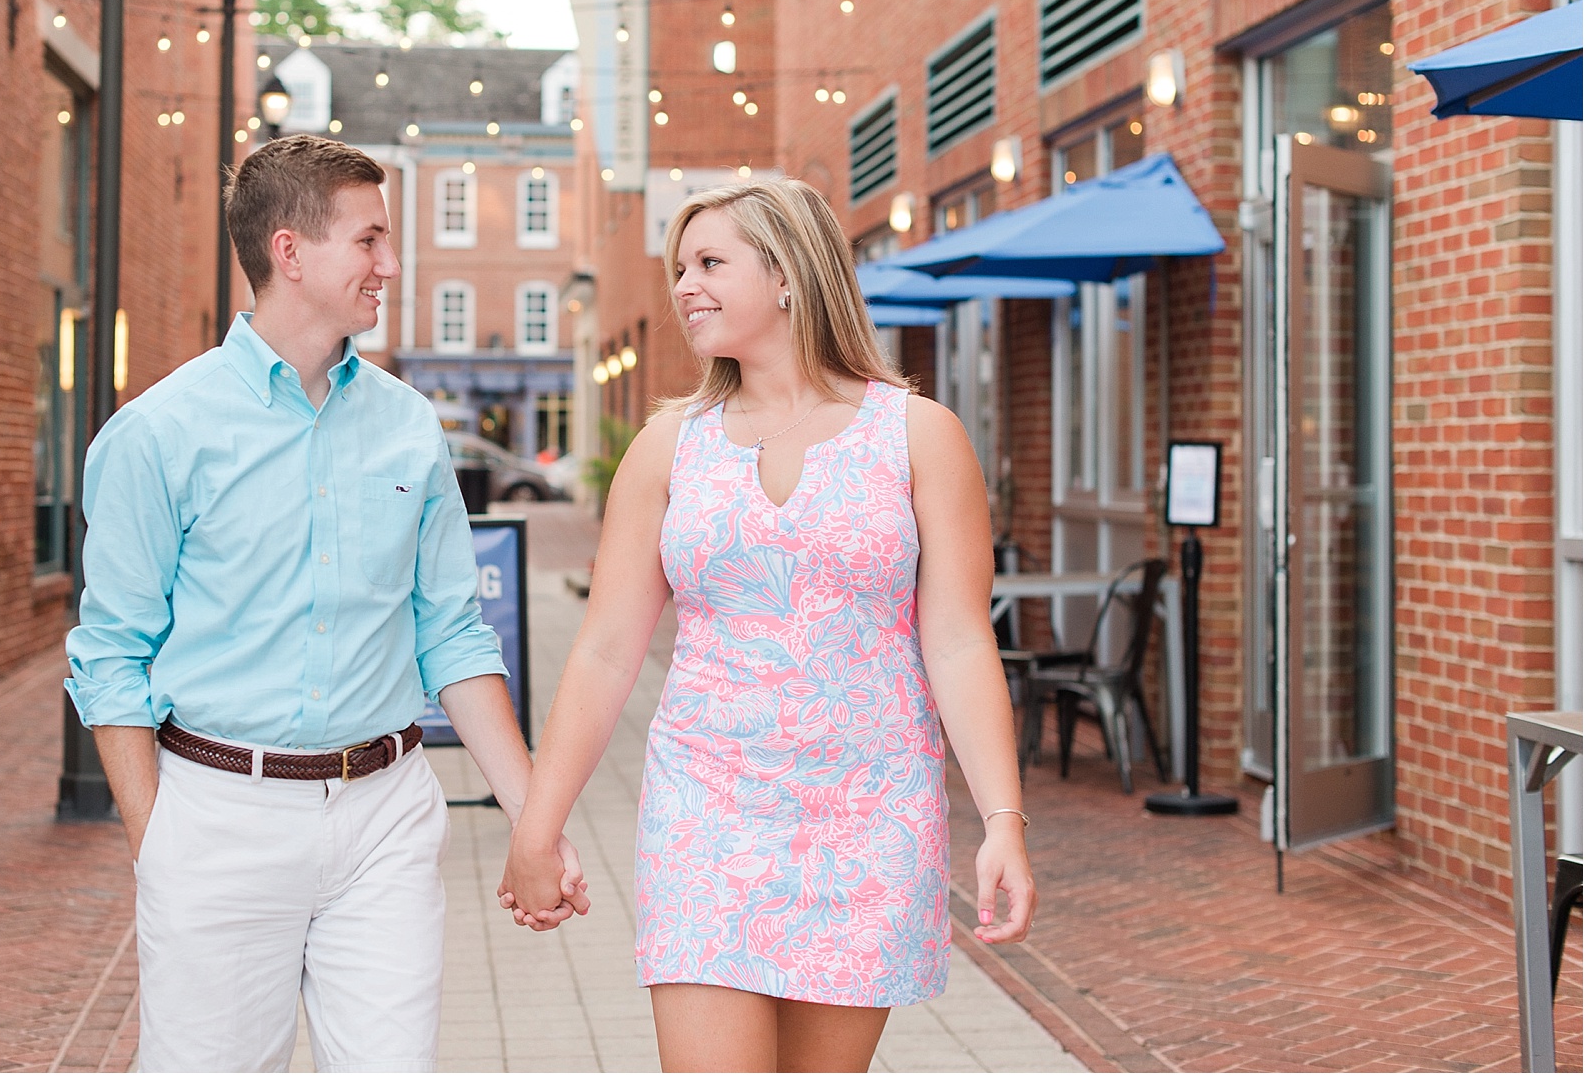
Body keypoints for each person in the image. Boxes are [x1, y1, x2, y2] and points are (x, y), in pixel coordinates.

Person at [64, 134, 586, 1073]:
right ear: (290, 251)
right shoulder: (158, 434)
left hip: (385, 811)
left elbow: (453, 636)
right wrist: (161, 848)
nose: (391, 266)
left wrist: (530, 818)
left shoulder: (408, 425)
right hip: (218, 814)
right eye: (369, 241)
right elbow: (110, 657)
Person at [500, 179, 1036, 1072]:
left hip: (869, 814)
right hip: (707, 811)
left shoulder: (918, 436)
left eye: (710, 262)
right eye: (679, 267)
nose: (684, 286)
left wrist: (1003, 821)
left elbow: (957, 641)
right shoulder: (670, 446)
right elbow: (603, 651)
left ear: (788, 274)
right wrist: (537, 828)